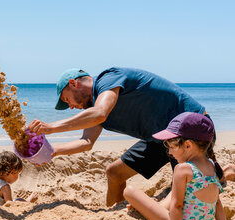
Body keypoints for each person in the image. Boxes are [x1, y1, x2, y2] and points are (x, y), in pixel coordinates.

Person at [28, 67, 212, 206]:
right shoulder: (92, 107)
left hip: (189, 131)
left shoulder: (108, 79)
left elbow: (100, 113)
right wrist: (51, 151)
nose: (71, 107)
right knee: (114, 173)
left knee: (181, 196)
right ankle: (113, 215)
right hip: (159, 138)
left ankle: (223, 172)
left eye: (67, 100)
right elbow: (86, 142)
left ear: (73, 83)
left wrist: (50, 127)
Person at [123, 112, 231, 220]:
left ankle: (144, 207)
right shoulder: (211, 165)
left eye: (171, 147)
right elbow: (217, 203)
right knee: (175, 193)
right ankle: (147, 207)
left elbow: (177, 205)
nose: (169, 152)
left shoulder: (183, 169)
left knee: (129, 191)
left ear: (188, 145)